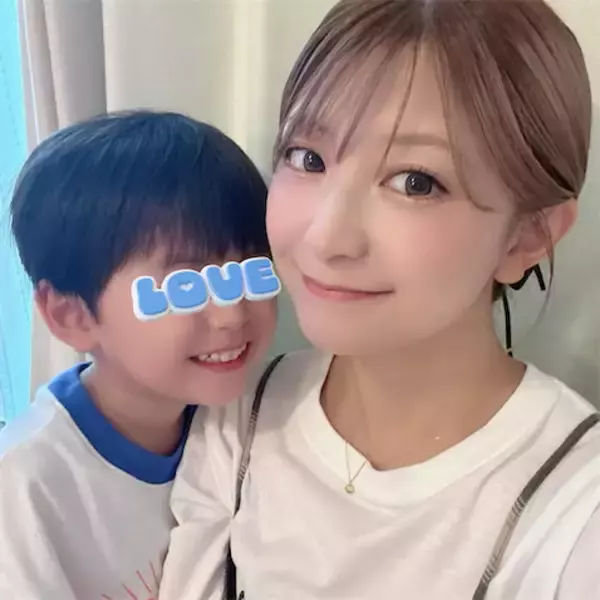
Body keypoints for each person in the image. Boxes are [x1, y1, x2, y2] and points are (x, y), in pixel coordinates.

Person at [159, 1, 600, 599]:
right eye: (307, 158)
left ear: (527, 236)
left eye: (416, 182)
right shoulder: (239, 418)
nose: (326, 238)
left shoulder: (575, 510)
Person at [0, 111, 277, 599]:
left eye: (250, 268)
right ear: (71, 314)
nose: (232, 313)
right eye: (186, 286)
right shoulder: (22, 489)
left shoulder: (248, 420)